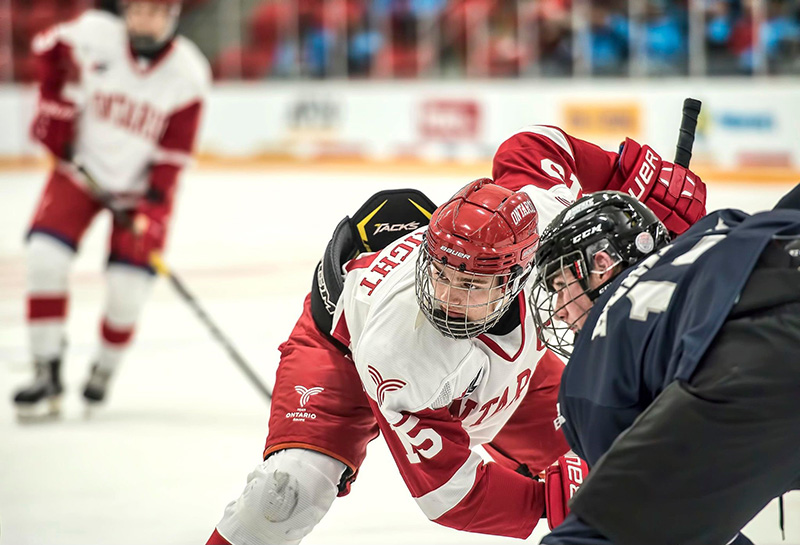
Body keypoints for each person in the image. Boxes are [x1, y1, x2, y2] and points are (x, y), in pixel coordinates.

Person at [206, 126, 707, 545]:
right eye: (440, 273)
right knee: (284, 495)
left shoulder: (537, 220)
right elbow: (450, 495)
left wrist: (630, 172)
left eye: (469, 283)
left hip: (503, 372)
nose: (446, 295)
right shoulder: (402, 344)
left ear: (516, 276)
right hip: (340, 352)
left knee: (625, 462)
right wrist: (544, 502)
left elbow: (533, 146)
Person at [531, 187, 800, 545]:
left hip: (762, 365)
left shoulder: (589, 366)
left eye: (562, 285)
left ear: (601, 263)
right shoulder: (708, 229)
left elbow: (662, 516)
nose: (561, 310)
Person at [13, 0, 210, 418]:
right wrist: (55, 104)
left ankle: (104, 368)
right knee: (44, 259)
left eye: (154, 12)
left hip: (140, 192)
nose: (142, 20)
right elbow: (46, 48)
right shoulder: (95, 33)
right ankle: (45, 369)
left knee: (126, 291)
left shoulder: (189, 74)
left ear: (171, 16)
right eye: (136, 10)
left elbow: (173, 155)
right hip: (79, 172)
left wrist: (152, 207)